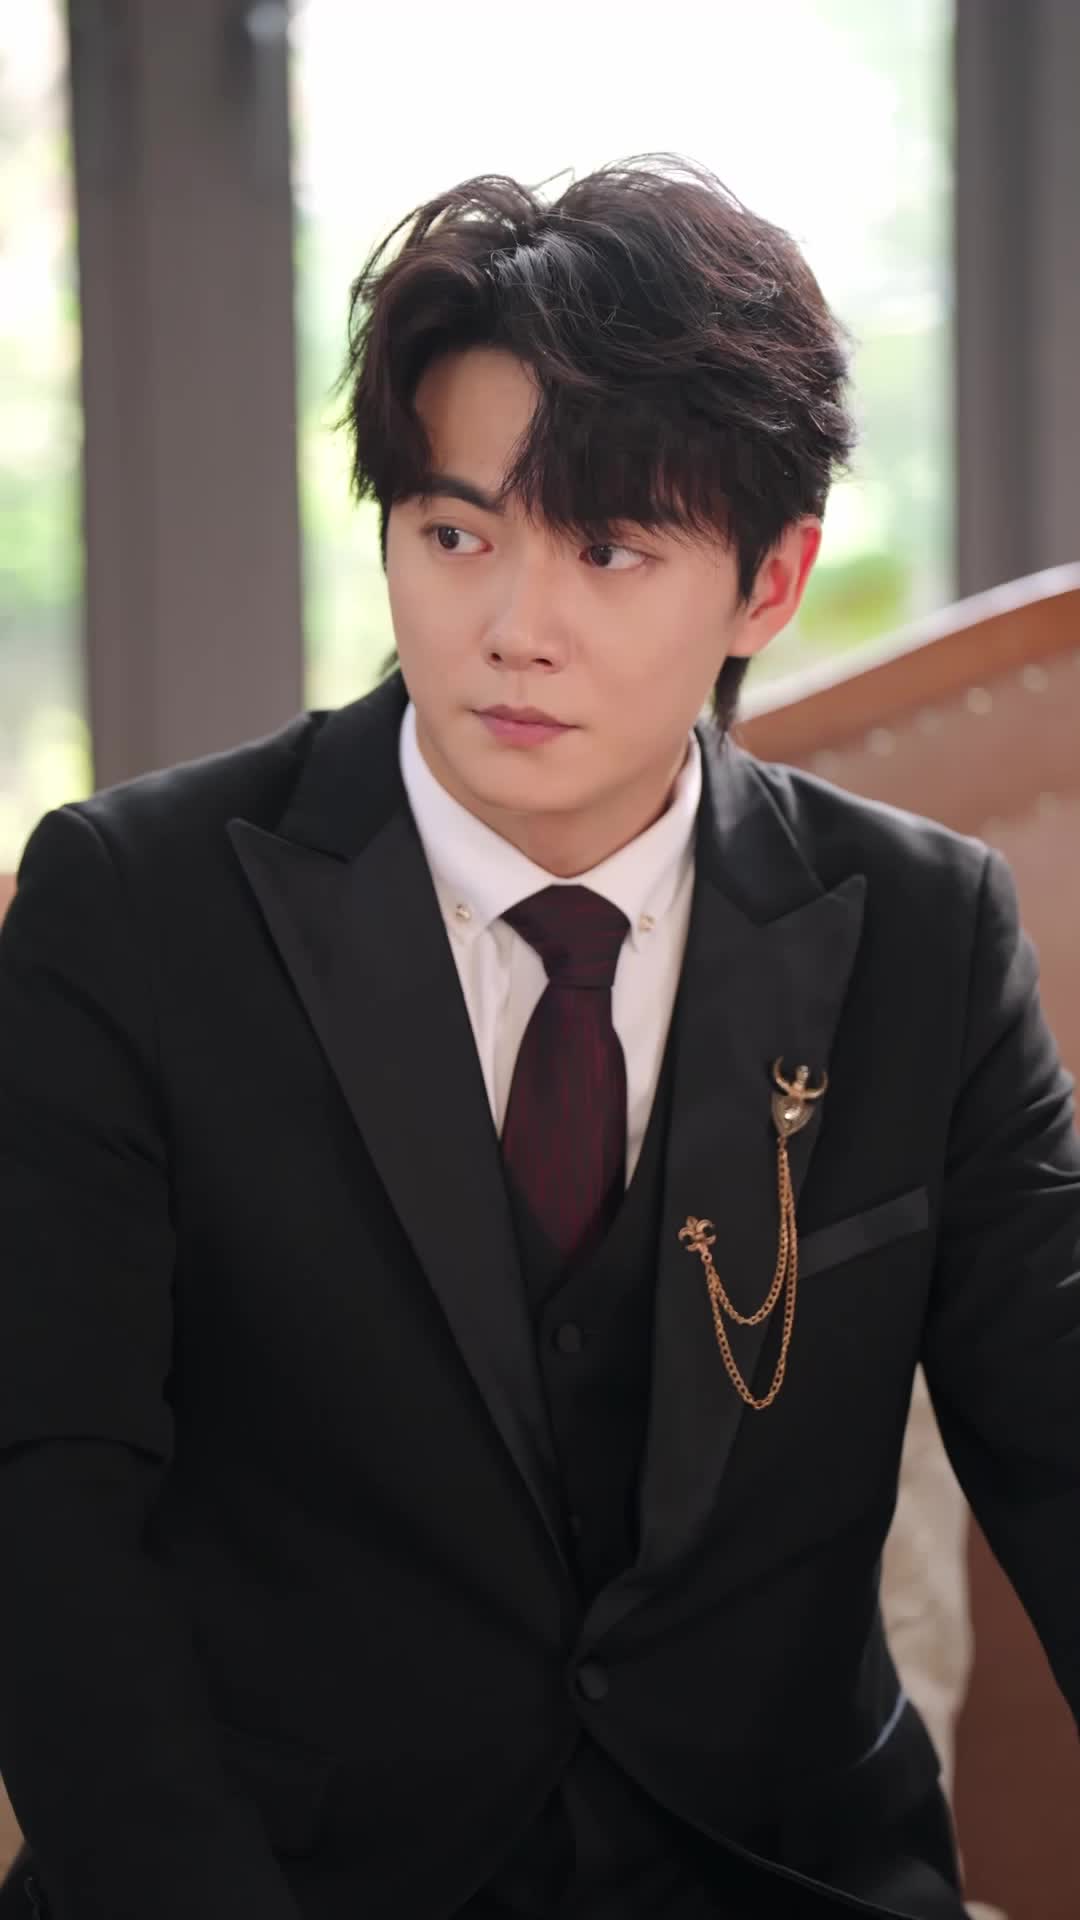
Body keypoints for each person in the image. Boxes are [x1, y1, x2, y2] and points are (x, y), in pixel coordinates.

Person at [0, 152, 1077, 1920]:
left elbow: (1060, 1438)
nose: (514, 630)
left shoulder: (925, 938)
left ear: (770, 585)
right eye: (456, 535)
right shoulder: (133, 908)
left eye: (608, 548)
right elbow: (48, 1510)